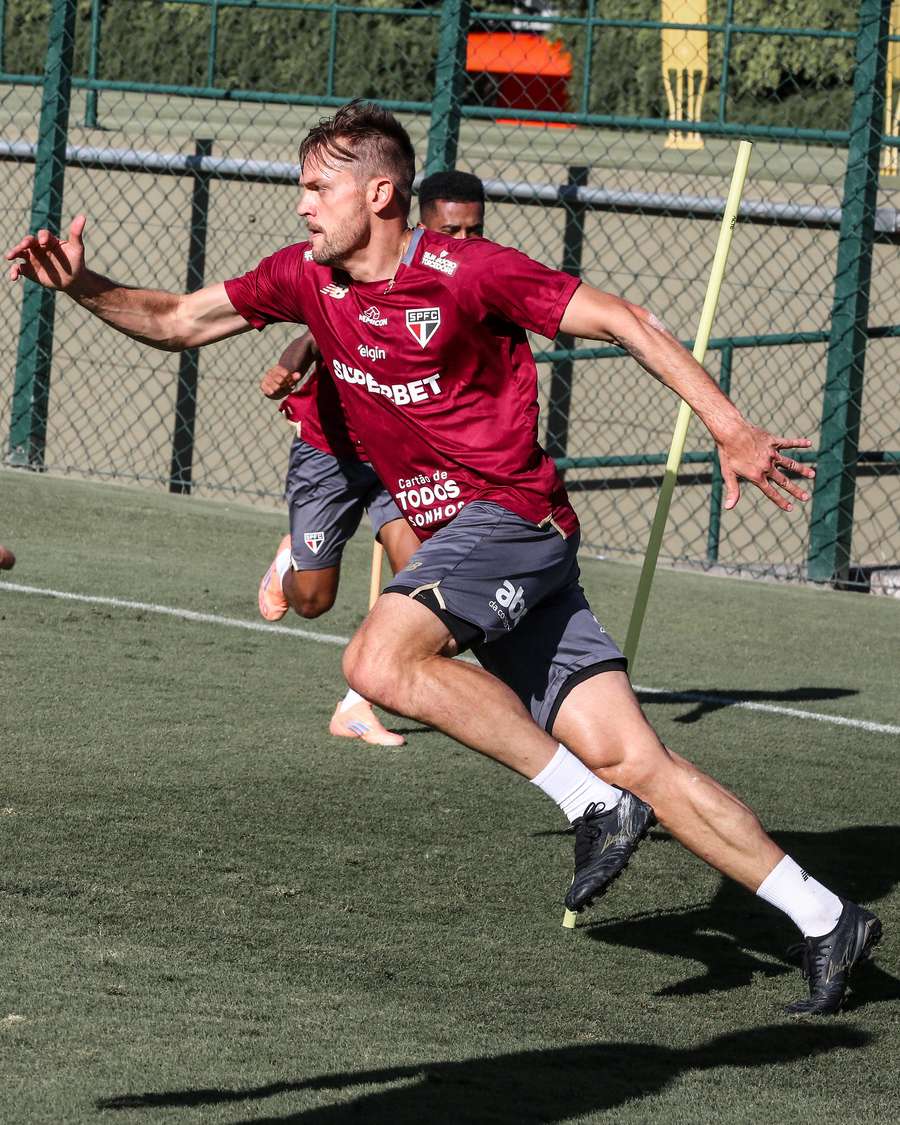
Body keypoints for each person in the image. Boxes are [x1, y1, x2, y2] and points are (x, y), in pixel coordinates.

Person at [6, 102, 881, 1016]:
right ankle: (825, 917)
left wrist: (731, 426)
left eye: (317, 186)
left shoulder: (469, 272)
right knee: (638, 757)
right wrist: (81, 285)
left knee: (376, 661)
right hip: (469, 542)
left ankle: (590, 805)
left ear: (379, 192)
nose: (301, 205)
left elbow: (627, 317)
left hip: (514, 519)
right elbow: (180, 319)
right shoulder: (307, 280)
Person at [256, 171, 488, 747]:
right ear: (419, 225)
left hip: (403, 455)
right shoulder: (365, 260)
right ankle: (292, 557)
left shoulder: (471, 277)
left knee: (423, 577)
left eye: (473, 229)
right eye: (450, 228)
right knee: (312, 603)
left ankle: (358, 702)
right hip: (331, 447)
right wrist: (300, 346)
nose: (463, 239)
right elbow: (330, 313)